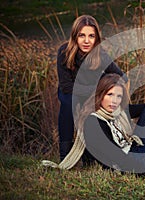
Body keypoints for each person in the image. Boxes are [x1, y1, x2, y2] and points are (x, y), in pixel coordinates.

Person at [56, 15, 126, 162]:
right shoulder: (64, 51)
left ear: (96, 38)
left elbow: (121, 77)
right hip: (69, 93)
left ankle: (89, 156)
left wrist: (106, 88)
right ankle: (65, 156)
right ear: (75, 36)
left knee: (93, 113)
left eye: (91, 36)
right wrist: (96, 90)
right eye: (82, 35)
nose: (87, 41)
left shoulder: (100, 54)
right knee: (68, 106)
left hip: (90, 94)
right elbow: (66, 86)